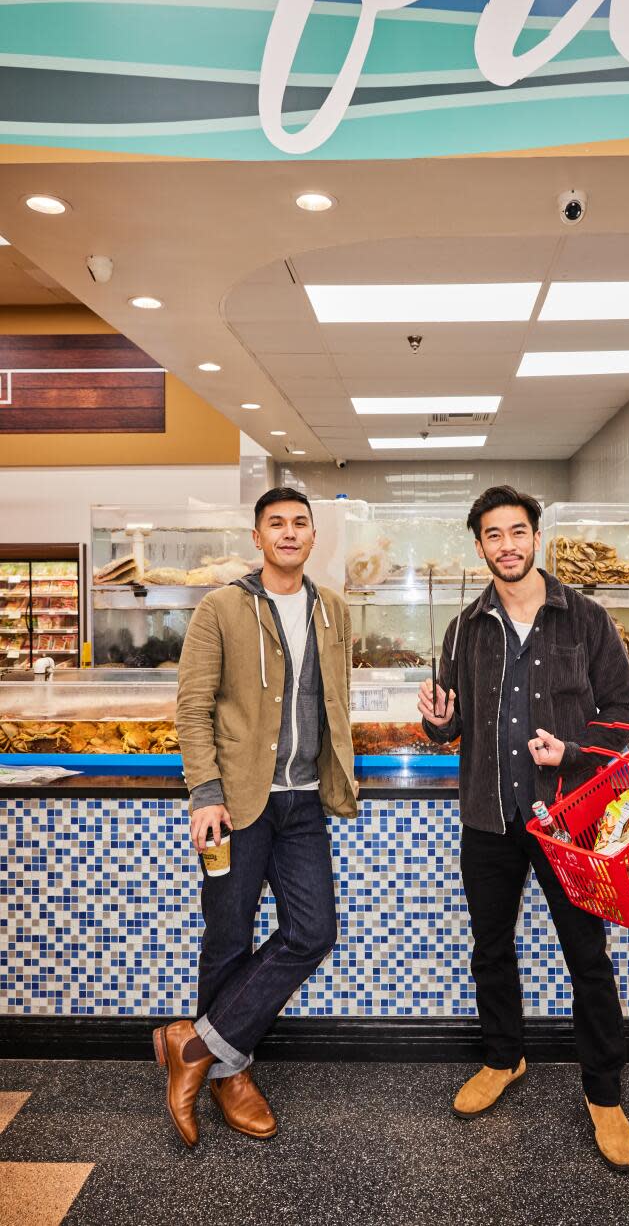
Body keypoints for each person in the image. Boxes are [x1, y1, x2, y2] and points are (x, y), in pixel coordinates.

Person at [418, 485, 629, 1173]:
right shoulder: (464, 627)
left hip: (566, 819)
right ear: (480, 545)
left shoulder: (586, 619)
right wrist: (436, 721)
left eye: (518, 531)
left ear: (536, 538)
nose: (507, 545)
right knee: (490, 948)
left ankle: (604, 1093)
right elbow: (453, 726)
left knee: (588, 957)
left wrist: (573, 755)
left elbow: (625, 710)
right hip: (489, 817)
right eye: (493, 535)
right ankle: (503, 1058)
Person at [155, 487, 356, 1148]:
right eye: (277, 523)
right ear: (258, 535)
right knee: (228, 937)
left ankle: (195, 1044)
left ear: (313, 536)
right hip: (237, 803)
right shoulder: (222, 608)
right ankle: (230, 1073)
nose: (290, 533)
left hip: (303, 802)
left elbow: (336, 699)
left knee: (313, 930)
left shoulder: (332, 609)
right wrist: (205, 791)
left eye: (301, 523)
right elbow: (193, 706)